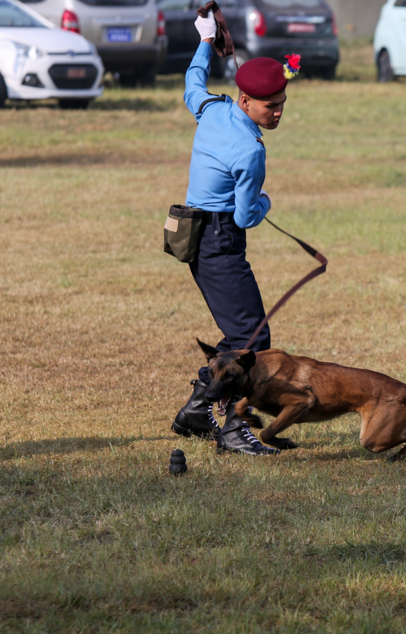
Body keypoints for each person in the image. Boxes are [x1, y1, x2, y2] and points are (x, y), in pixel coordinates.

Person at [170, 10, 296, 456]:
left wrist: (205, 40)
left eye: (282, 103)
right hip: (221, 241)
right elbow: (246, 217)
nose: (278, 112)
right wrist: (265, 203)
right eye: (270, 106)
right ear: (245, 101)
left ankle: (196, 412)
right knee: (251, 342)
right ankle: (230, 428)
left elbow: (192, 84)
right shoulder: (249, 150)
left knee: (239, 336)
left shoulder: (212, 109)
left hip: (195, 238)